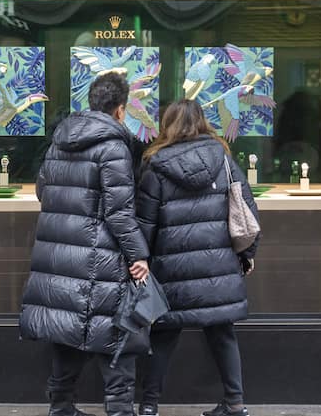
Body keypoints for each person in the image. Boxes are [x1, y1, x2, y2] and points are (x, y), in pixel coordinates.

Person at [19, 72, 151, 416]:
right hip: (99, 258)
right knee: (118, 337)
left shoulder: (59, 141)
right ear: (120, 110)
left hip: (60, 255)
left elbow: (42, 191)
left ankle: (61, 407)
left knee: (67, 332)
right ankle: (120, 411)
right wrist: (139, 255)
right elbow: (119, 213)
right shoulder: (114, 146)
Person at [135, 100, 260, 416]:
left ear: (167, 125)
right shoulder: (224, 160)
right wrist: (247, 254)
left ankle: (149, 406)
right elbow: (245, 209)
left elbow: (144, 223)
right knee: (222, 334)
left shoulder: (155, 166)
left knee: (162, 335)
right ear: (202, 122)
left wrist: (139, 261)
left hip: (171, 268)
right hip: (218, 266)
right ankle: (235, 404)